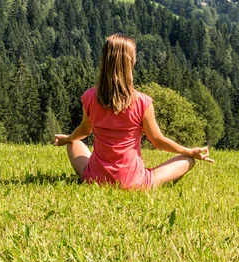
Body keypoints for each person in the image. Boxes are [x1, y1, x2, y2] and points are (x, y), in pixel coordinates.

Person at [54, 33, 213, 189]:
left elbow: (83, 131)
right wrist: (190, 151)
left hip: (96, 179)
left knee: (73, 143)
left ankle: (94, 174)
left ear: (104, 60)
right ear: (131, 62)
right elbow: (157, 141)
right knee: (188, 160)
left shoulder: (89, 97)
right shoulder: (142, 102)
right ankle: (151, 180)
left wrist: (66, 139)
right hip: (134, 182)